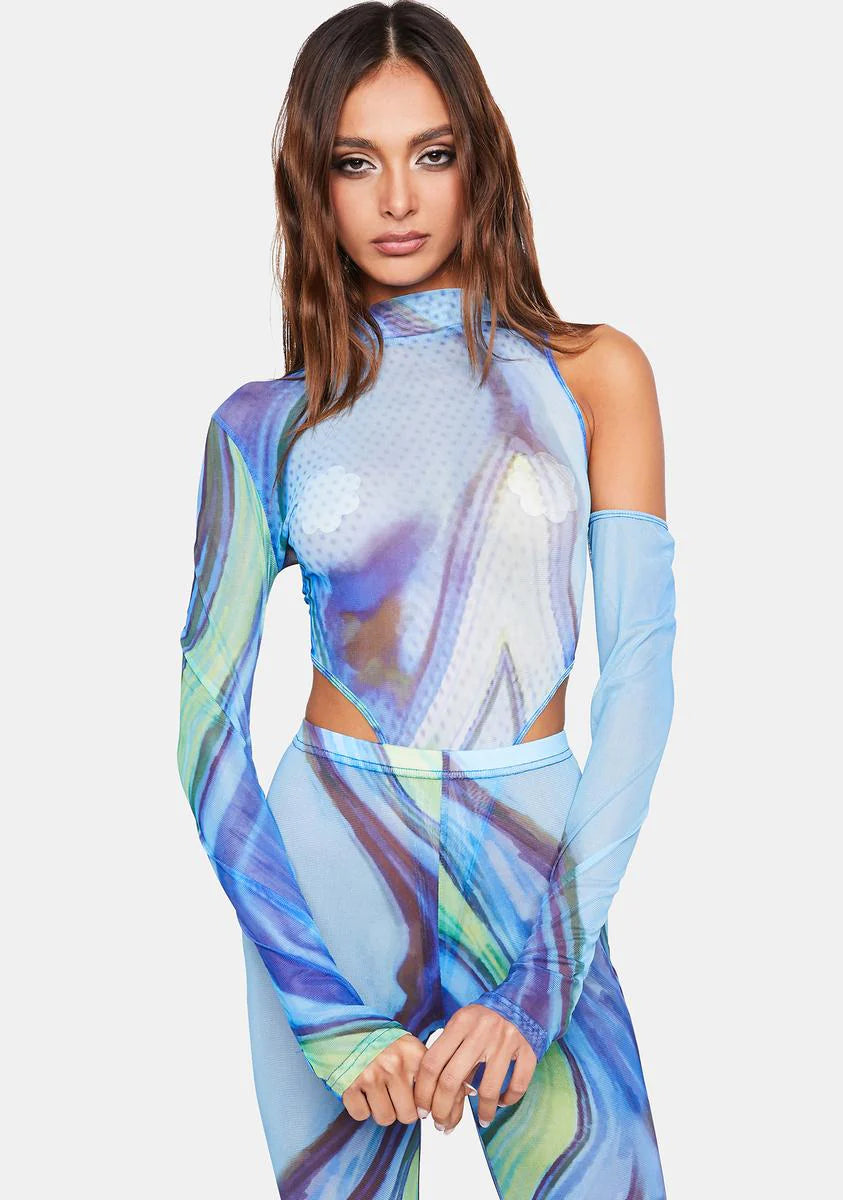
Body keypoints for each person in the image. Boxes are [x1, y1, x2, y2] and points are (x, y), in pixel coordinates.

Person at [176, 2, 677, 1196]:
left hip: (537, 853)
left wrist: (543, 981)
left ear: (478, 162)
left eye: (432, 154)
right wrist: (323, 1013)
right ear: (314, 184)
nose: (398, 199)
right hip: (331, 864)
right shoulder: (264, 424)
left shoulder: (594, 374)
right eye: (357, 162)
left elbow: (641, 680)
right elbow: (204, 729)